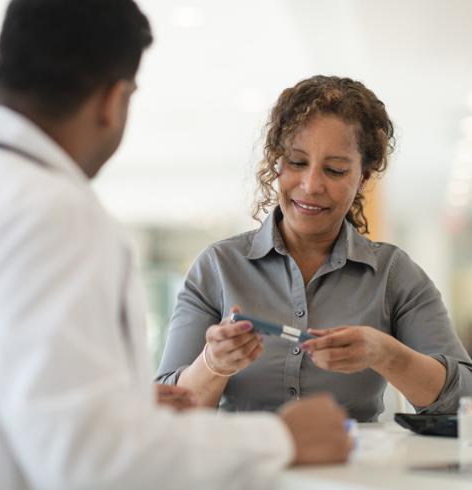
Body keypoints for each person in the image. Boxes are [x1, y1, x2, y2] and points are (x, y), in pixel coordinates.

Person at [0, 1, 352, 489]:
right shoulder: (57, 212)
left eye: (336, 168)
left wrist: (123, 409)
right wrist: (279, 439)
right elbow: (87, 459)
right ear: (114, 99)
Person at [157, 75, 472, 421]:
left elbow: (465, 401)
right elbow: (167, 409)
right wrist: (212, 365)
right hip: (245, 472)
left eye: (335, 170)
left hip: (350, 473)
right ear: (277, 163)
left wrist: (388, 354)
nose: (311, 186)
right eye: (296, 162)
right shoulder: (217, 267)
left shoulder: (394, 275)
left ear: (363, 178)